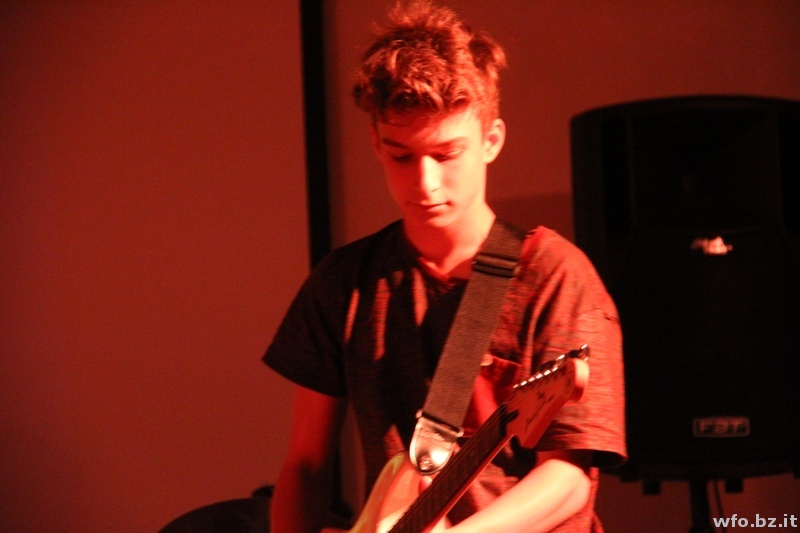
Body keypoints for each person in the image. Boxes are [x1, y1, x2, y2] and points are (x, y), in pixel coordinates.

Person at [264, 1, 626, 531]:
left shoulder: (556, 276)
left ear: (491, 140)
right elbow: (305, 464)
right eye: (402, 156)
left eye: (446, 154)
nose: (425, 183)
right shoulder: (344, 282)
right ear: (376, 143)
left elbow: (568, 477)